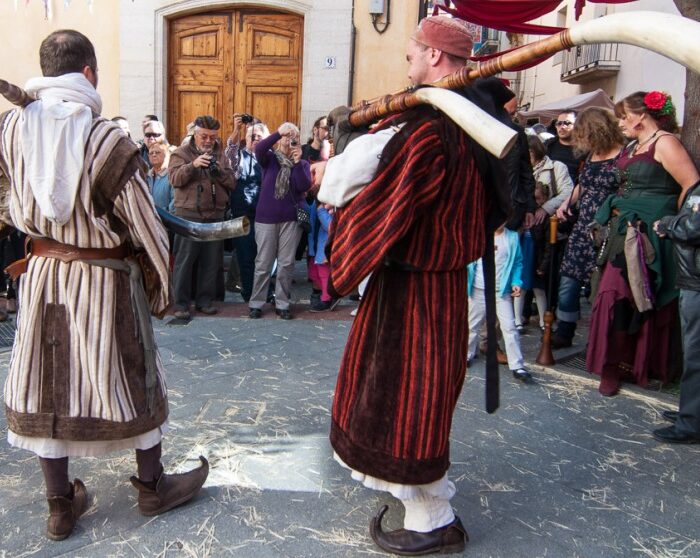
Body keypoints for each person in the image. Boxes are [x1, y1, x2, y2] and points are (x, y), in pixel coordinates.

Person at [0, 29, 207, 541]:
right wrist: (160, 288)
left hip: (44, 277)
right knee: (134, 373)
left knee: (49, 382)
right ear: (88, 73)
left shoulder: (9, 129)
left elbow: (5, 197)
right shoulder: (106, 139)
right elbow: (145, 223)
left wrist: (38, 230)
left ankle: (59, 506)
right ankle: (152, 487)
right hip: (105, 280)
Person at [318, 16, 486, 555]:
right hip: (439, 285)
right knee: (417, 398)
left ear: (436, 57)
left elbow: (343, 188)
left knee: (407, 399)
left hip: (414, 293)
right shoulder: (478, 122)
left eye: (413, 52)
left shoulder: (428, 126)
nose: (407, 61)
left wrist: (347, 145)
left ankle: (435, 520)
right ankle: (427, 509)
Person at [586, 92, 699, 396]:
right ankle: (612, 365)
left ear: (642, 114)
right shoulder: (634, 145)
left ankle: (635, 365)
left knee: (640, 296)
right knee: (613, 293)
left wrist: (667, 220)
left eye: (625, 115)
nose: (620, 122)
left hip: (651, 231)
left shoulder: (666, 142)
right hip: (624, 228)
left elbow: (690, 183)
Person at [550, 107, 626, 349]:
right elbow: (582, 185)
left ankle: (600, 337)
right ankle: (564, 331)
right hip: (583, 226)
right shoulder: (592, 154)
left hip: (609, 228)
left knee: (601, 285)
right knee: (568, 279)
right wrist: (565, 204)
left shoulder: (624, 155)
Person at [169, 115, 235, 319]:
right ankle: (180, 303)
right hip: (188, 215)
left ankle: (204, 301)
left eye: (212, 137)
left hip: (215, 214)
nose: (208, 141)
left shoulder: (221, 155)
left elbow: (232, 183)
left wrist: (218, 173)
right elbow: (174, 179)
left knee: (211, 261)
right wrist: (193, 165)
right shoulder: (181, 153)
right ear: (195, 134)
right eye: (204, 136)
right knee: (185, 261)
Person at [652, 180, 700, 444]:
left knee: (695, 354)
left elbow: (694, 227)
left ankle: (691, 424)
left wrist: (668, 225)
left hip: (697, 282)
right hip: (693, 279)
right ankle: (691, 412)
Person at [248, 122, 311, 320]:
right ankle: (257, 302)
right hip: (266, 219)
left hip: (291, 220)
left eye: (294, 137)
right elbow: (258, 148)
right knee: (263, 263)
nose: (289, 140)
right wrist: (277, 133)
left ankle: (282, 303)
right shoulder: (269, 158)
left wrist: (299, 162)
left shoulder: (302, 163)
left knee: (286, 263)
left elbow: (303, 186)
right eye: (287, 135)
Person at [467, 225, 532, 381]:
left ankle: (517, 365)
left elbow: (517, 263)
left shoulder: (512, 237)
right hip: (478, 288)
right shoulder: (478, 233)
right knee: (471, 325)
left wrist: (516, 281)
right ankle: (467, 354)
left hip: (500, 291)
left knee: (509, 326)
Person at [225, 116, 269, 302]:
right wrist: (237, 130)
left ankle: (266, 292)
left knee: (266, 258)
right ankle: (250, 294)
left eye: (259, 136)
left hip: (266, 217)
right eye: (252, 136)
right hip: (242, 216)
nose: (255, 139)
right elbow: (230, 154)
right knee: (245, 258)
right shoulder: (239, 157)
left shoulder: (270, 159)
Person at [546, 110, 585, 184]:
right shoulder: (548, 145)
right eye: (559, 123)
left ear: (577, 125)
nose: (562, 127)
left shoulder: (584, 150)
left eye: (567, 123)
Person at [147, 141, 174, 212]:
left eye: (157, 152)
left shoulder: (173, 175)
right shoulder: (145, 177)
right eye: (151, 153)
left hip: (167, 220)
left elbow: (174, 205)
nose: (154, 155)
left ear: (167, 155)